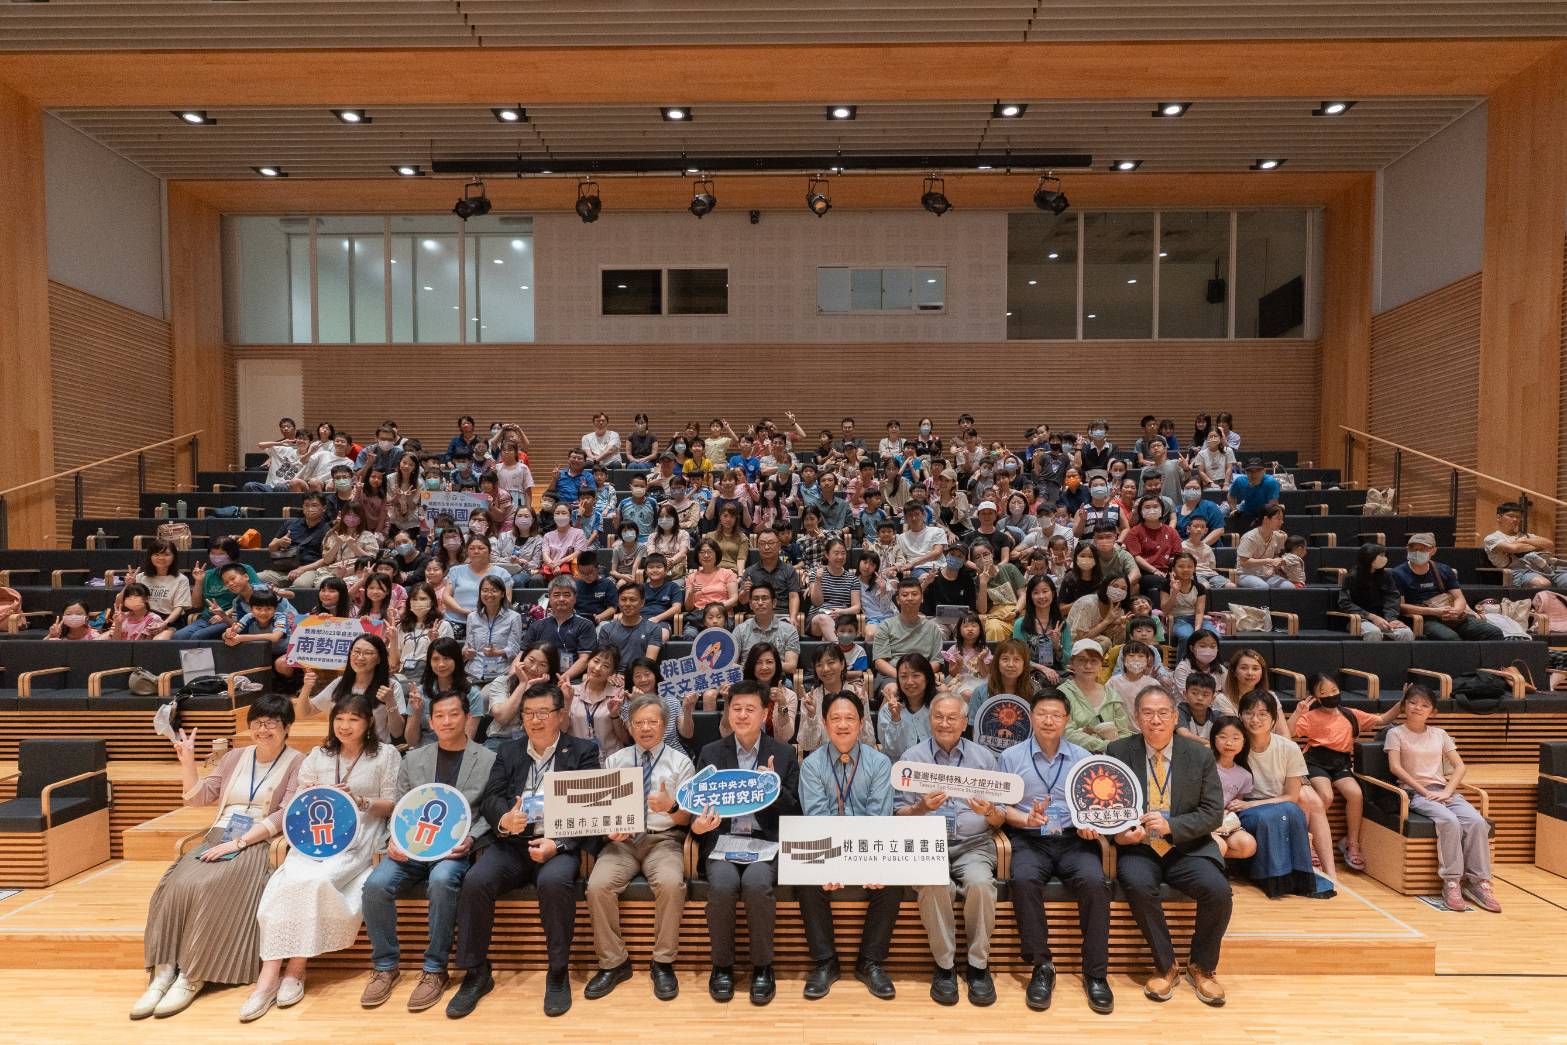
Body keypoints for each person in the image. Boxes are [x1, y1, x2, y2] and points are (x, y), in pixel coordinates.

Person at [134, 696, 305, 1019]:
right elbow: (199, 799)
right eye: (257, 722)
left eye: (271, 723)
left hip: (257, 843)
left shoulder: (298, 761)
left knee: (212, 886)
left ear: (287, 728)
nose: (263, 729)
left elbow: (286, 814)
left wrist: (239, 843)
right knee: (174, 885)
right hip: (218, 837)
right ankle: (162, 974)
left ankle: (191, 976)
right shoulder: (234, 757)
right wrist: (187, 761)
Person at [450, 682, 601, 1018]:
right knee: (475, 882)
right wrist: (504, 818)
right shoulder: (509, 751)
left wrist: (558, 844)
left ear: (560, 715)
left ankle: (558, 972)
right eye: (529, 714)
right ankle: (476, 973)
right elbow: (492, 796)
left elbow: (590, 808)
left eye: (544, 713)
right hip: (513, 844)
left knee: (554, 883)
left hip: (558, 844)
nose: (536, 720)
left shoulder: (582, 751)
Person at [247, 692, 401, 1021]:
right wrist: (309, 791)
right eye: (340, 719)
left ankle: (296, 970)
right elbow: (299, 801)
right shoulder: (318, 753)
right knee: (285, 881)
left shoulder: (385, 755)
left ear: (368, 722)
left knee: (316, 881)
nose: (345, 725)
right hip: (315, 836)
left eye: (354, 719)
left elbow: (392, 804)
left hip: (359, 836)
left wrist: (359, 801)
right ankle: (268, 977)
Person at [358, 689, 497, 1011]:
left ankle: (435, 969)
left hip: (455, 850)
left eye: (454, 714)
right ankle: (385, 965)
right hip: (412, 847)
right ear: (431, 722)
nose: (447, 721)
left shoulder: (488, 758)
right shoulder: (414, 757)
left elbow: (490, 810)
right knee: (375, 886)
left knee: (442, 880)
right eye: (440, 716)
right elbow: (401, 807)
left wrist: (472, 839)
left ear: (467, 717)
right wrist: (395, 838)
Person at [1109, 685, 1231, 1007]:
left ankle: (1202, 967)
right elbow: (1106, 809)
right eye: (1147, 713)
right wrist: (1120, 835)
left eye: (1163, 712)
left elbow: (1212, 812)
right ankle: (1166, 966)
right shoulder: (1118, 751)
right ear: (1136, 718)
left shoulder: (1200, 754)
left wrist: (1172, 826)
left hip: (1186, 847)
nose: (1155, 720)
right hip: (1139, 847)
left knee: (1218, 890)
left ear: (1176, 716)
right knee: (1135, 882)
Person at [995, 687, 1114, 1013]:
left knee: (1094, 882)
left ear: (1066, 720)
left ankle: (1096, 974)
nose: (1048, 720)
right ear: (1031, 718)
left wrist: (1093, 825)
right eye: (1042, 714)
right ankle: (1041, 966)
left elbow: (1097, 807)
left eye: (1056, 715)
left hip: (1074, 841)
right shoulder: (1010, 758)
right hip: (1028, 838)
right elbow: (1001, 809)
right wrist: (1025, 817)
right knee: (1022, 880)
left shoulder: (1083, 759)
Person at [693, 681, 801, 1005]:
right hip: (722, 844)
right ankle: (722, 966)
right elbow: (698, 811)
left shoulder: (783, 753)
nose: (742, 715)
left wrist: (774, 789)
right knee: (723, 886)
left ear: (765, 712)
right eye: (736, 708)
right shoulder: (711, 754)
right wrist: (699, 826)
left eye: (750, 709)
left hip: (764, 843)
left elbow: (795, 811)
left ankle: (762, 967)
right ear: (728, 712)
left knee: (756, 885)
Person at [583, 695, 697, 1002]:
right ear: (630, 727)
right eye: (639, 722)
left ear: (664, 724)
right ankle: (614, 962)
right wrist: (608, 827)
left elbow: (688, 818)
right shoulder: (615, 761)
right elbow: (600, 810)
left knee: (672, 884)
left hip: (664, 840)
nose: (646, 728)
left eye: (652, 722)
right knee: (597, 886)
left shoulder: (681, 762)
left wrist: (670, 806)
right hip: (622, 844)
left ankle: (662, 962)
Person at [896, 693, 1006, 1007]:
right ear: (929, 720)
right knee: (935, 885)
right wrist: (919, 807)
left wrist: (988, 811)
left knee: (981, 885)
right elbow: (898, 816)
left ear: (964, 722)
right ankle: (944, 966)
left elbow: (999, 818)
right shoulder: (911, 759)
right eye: (938, 717)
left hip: (973, 846)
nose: (945, 723)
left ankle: (977, 966)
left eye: (952, 717)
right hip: (926, 845)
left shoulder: (983, 759)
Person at [796, 691, 903, 1001]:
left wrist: (865, 862)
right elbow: (817, 820)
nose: (843, 725)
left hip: (868, 845)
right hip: (827, 847)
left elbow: (878, 817)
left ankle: (870, 962)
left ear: (861, 723)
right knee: (808, 879)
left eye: (850, 718)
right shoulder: (812, 764)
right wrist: (833, 864)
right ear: (826, 725)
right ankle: (825, 962)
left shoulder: (879, 763)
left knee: (891, 881)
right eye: (835, 718)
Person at [1384, 683, 1501, 913]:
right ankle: (1452, 882)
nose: (1418, 708)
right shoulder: (1395, 733)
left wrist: (1447, 792)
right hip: (1415, 792)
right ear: (1404, 705)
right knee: (1450, 821)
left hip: (1443, 790)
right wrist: (1424, 790)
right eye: (1413, 703)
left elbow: (1459, 766)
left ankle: (1479, 882)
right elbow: (1396, 768)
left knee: (1477, 822)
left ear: (1433, 712)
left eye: (1424, 705)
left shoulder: (1440, 734)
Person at [1288, 674, 1404, 873]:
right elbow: (1287, 733)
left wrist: (1402, 702)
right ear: (1315, 696)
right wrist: (1298, 713)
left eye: (1333, 691)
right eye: (1323, 693)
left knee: (1355, 794)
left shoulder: (1351, 714)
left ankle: (1351, 843)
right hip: (1315, 760)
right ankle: (1311, 842)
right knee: (1326, 795)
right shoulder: (1310, 716)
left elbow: (1383, 719)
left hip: (1340, 762)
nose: (1330, 695)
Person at [1227, 691, 1332, 898]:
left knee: (1292, 811)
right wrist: (1247, 806)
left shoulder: (1289, 748)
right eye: (1249, 713)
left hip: (1274, 803)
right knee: (1272, 816)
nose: (1255, 719)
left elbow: (1292, 796)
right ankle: (1269, 878)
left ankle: (1297, 876)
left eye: (1262, 714)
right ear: (1240, 717)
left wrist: (1253, 806)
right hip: (1241, 807)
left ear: (1274, 719)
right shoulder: (1234, 745)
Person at [1390, 533, 1504, 641]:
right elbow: (1400, 606)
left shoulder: (1443, 569)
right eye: (1413, 549)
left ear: (1433, 550)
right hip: (1424, 617)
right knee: (1450, 639)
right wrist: (1433, 612)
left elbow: (1458, 597)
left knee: (1494, 632)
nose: (1417, 552)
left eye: (1422, 549)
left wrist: (1456, 611)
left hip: (1449, 612)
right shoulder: (1398, 573)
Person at [871, 576, 945, 699]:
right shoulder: (885, 626)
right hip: (891, 676)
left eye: (914, 594)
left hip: (923, 675)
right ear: (898, 600)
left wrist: (918, 676)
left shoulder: (932, 628)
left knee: (943, 690)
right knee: (893, 691)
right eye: (905, 595)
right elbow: (879, 661)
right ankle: (887, 718)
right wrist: (903, 676)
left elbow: (937, 661)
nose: (910, 598)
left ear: (921, 598)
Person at [524, 575, 598, 682]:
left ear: (575, 598)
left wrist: (562, 679)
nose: (561, 599)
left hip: (571, 680)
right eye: (556, 595)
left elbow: (585, 659)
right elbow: (523, 654)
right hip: (539, 678)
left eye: (567, 595)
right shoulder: (537, 625)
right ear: (549, 597)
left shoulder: (585, 625)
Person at [1339, 542, 1415, 641]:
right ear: (1368, 557)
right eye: (1381, 556)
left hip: (1384, 618)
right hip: (1359, 619)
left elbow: (1392, 598)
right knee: (1373, 632)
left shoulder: (1387, 575)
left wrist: (1391, 618)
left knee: (1406, 632)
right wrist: (1371, 617)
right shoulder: (1352, 577)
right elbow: (1345, 603)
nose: (1384, 559)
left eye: (1385, 555)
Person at [1484, 501, 1567, 589]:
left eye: (1518, 517)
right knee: (1543, 584)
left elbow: (1549, 544)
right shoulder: (1492, 538)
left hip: (1545, 568)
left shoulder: (1526, 536)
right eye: (1511, 516)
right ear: (1499, 517)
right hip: (1519, 572)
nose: (1515, 520)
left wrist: (1523, 540)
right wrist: (1537, 546)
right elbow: (1514, 548)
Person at [463, 575, 524, 685]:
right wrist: (466, 651)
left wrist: (497, 652)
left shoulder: (514, 617)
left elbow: (514, 650)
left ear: (502, 594)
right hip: (473, 672)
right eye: (485, 590)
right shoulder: (472, 617)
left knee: (483, 697)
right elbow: (468, 645)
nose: (489, 594)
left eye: (494, 590)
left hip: (500, 674)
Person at [877, 652, 939, 757]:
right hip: (899, 770)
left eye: (916, 675)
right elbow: (892, 751)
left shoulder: (939, 707)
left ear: (927, 678)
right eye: (903, 676)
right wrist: (896, 720)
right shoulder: (888, 710)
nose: (909, 682)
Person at [732, 580, 800, 673]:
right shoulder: (740, 629)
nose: (760, 603)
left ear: (774, 603)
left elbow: (791, 666)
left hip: (778, 680)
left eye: (764, 598)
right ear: (750, 604)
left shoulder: (789, 630)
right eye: (756, 599)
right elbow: (731, 664)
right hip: (748, 679)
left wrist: (760, 664)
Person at [1235, 505, 1292, 589]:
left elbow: (1276, 555)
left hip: (1267, 574)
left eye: (1282, 519)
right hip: (1245, 574)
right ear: (1266, 519)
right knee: (1262, 587)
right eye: (1278, 519)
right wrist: (1268, 561)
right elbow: (1244, 562)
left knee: (1289, 587)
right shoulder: (1249, 537)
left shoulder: (1279, 536)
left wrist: (1274, 566)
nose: (1282, 522)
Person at [1226, 457, 1279, 534]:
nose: (1254, 474)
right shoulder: (1240, 481)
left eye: (1258, 471)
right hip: (1244, 510)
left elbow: (1272, 506)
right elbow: (1230, 496)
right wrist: (1233, 509)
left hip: (1264, 512)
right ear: (1245, 471)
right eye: (1249, 471)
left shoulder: (1271, 482)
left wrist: (1261, 520)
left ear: (1264, 471)